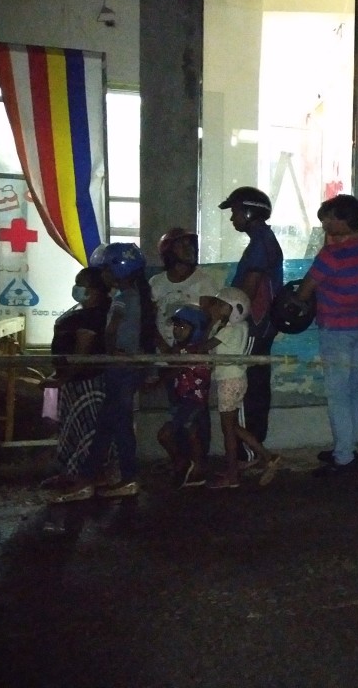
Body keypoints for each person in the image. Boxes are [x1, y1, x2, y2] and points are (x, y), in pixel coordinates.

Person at [53, 243, 158, 503]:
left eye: (105, 269)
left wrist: (110, 351)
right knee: (110, 426)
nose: (103, 275)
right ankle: (96, 477)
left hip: (120, 371)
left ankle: (110, 479)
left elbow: (111, 332)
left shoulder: (123, 299)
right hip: (127, 370)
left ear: (117, 271)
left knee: (115, 425)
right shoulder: (138, 297)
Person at [297, 195, 358, 476]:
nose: (324, 223)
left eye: (328, 218)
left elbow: (304, 292)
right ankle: (348, 446)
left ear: (342, 221)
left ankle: (344, 458)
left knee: (338, 396)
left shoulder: (330, 256)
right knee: (353, 391)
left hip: (335, 331)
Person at [218, 187, 283, 455]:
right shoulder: (264, 239)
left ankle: (247, 454)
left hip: (253, 328)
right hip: (262, 327)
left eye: (235, 212)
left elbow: (247, 292)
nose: (232, 218)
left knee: (244, 389)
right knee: (257, 386)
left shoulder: (259, 244)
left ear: (248, 212)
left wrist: (226, 318)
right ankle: (254, 449)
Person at [150, 227, 221, 457]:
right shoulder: (156, 283)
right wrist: (165, 349)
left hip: (193, 361)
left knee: (196, 411)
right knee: (176, 409)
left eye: (191, 244)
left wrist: (188, 351)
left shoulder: (204, 281)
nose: (189, 249)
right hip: (167, 357)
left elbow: (208, 322)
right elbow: (149, 320)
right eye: (182, 245)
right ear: (168, 251)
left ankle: (199, 461)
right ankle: (182, 459)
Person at [40, 267, 112, 489]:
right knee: (71, 429)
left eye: (81, 285)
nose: (76, 289)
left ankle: (89, 476)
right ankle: (70, 473)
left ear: (95, 290)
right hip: (73, 380)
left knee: (87, 430)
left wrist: (62, 378)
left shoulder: (94, 316)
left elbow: (82, 352)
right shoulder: (83, 311)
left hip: (86, 382)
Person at [203, 287, 281, 489]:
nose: (216, 307)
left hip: (228, 382)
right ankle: (267, 456)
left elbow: (204, 346)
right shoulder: (240, 327)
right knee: (234, 427)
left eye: (221, 305)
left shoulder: (229, 330)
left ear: (234, 309)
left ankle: (233, 475)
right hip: (236, 379)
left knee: (228, 430)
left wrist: (211, 321)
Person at [155, 304, 212, 488]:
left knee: (172, 433)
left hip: (193, 402)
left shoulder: (196, 351)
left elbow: (176, 367)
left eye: (183, 327)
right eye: (176, 326)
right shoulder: (182, 349)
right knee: (186, 432)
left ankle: (191, 467)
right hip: (182, 402)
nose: (177, 330)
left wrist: (156, 383)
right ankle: (186, 465)